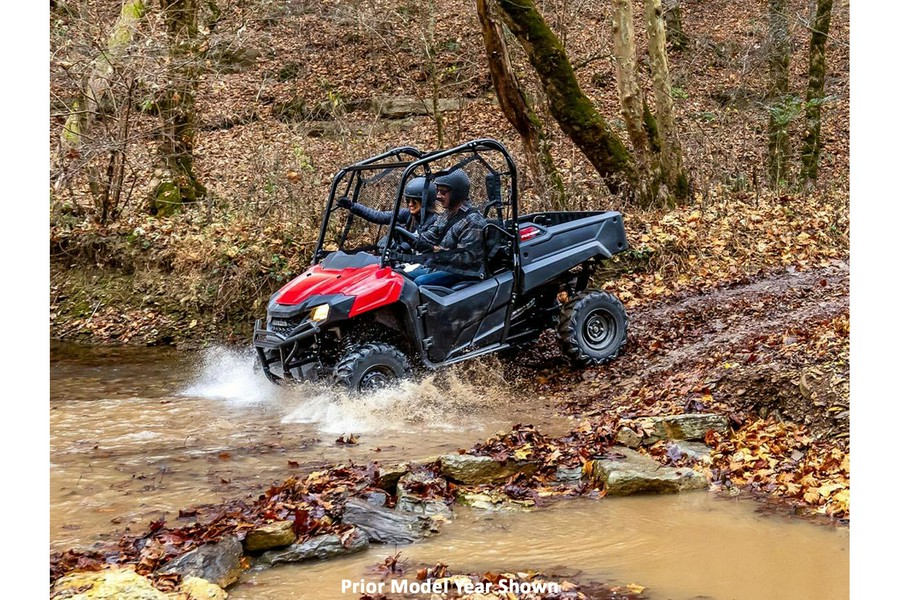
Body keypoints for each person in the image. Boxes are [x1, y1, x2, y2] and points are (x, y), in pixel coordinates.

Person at [409, 169, 487, 288]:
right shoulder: (447, 214)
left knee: (419, 282)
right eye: (437, 191)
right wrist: (412, 240)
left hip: (464, 271)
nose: (438, 196)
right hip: (443, 265)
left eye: (443, 192)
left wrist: (437, 251)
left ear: (457, 193)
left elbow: (467, 258)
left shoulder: (473, 221)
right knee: (404, 277)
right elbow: (432, 234)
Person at [336, 176, 438, 233]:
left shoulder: (435, 221)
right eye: (408, 201)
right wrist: (352, 206)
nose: (410, 205)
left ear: (426, 202)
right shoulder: (407, 215)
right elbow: (379, 216)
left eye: (414, 202)